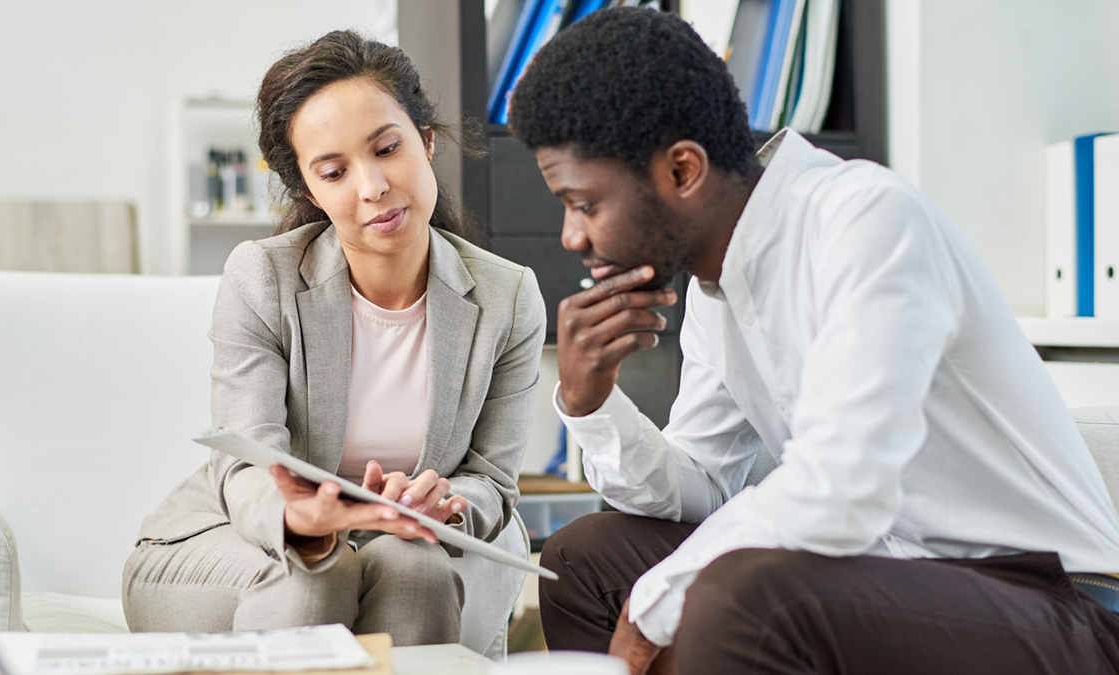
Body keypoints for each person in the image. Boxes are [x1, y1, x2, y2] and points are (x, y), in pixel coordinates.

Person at [507, 7, 1119, 675]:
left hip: (1058, 600)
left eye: (584, 203)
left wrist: (656, 599)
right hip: (886, 573)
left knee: (739, 600)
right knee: (582, 561)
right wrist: (589, 402)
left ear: (683, 171)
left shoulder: (866, 218)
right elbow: (708, 482)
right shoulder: (718, 284)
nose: (573, 236)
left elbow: (844, 487)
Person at [122, 30, 545, 647]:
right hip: (224, 544)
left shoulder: (507, 297)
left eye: (388, 148)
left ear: (425, 142)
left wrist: (446, 501)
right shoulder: (261, 277)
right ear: (308, 190)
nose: (372, 186)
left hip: (391, 544)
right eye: (335, 171)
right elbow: (244, 462)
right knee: (318, 571)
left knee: (420, 570)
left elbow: (493, 482)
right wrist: (299, 519)